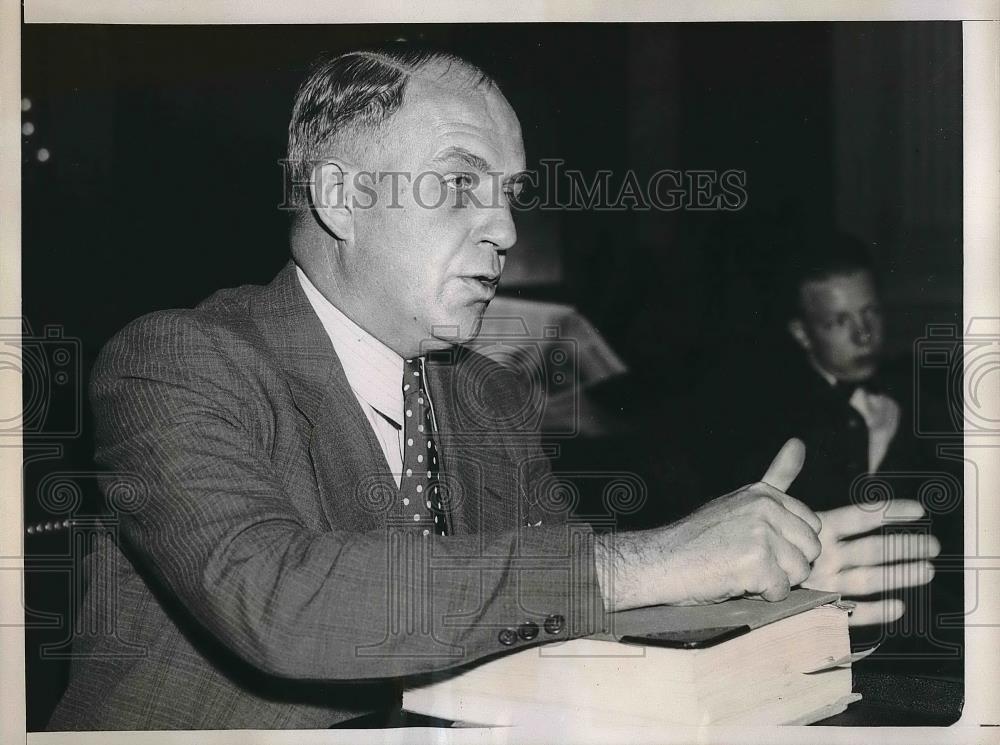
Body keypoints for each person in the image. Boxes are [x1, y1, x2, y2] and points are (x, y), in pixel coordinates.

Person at [45, 47, 910, 731]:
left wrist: (758, 571)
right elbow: (279, 598)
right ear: (340, 197)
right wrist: (660, 557)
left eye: (508, 196)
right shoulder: (177, 361)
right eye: (461, 184)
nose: (503, 229)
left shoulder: (487, 398)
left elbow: (560, 601)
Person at [691, 230, 956, 633]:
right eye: (839, 321)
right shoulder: (761, 423)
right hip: (813, 631)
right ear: (801, 333)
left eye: (871, 313)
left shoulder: (928, 400)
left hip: (924, 630)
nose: (863, 334)